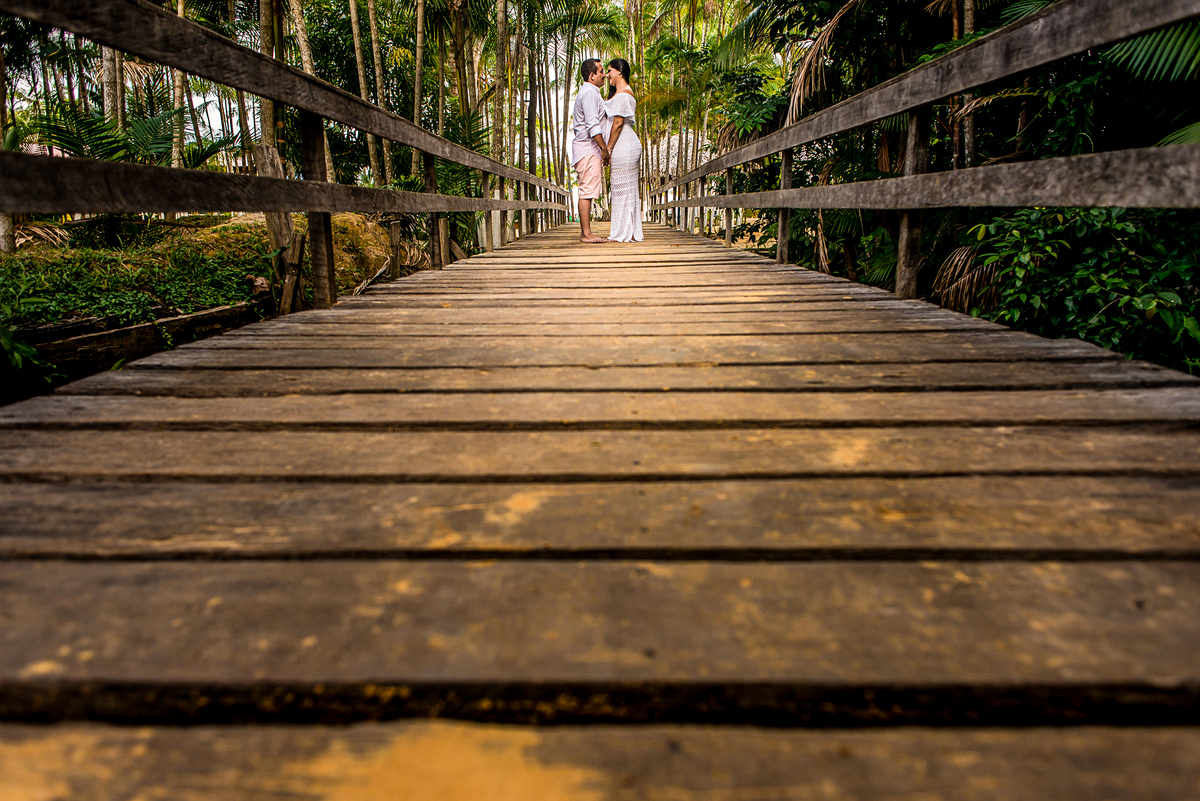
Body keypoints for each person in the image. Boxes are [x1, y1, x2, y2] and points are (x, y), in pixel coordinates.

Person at [603, 58, 643, 243]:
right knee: (624, 188)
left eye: (609, 71)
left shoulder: (623, 95)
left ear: (619, 71)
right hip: (626, 143)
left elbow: (618, 124)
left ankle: (624, 232)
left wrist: (608, 149)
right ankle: (627, 230)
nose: (607, 75)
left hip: (623, 143)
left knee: (623, 189)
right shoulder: (622, 93)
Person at [570, 58, 609, 244]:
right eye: (601, 71)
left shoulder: (590, 92)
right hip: (588, 149)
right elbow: (593, 125)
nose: (604, 75)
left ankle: (586, 232)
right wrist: (604, 149)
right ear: (592, 76)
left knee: (588, 189)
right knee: (587, 191)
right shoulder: (590, 93)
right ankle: (586, 234)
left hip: (585, 149)